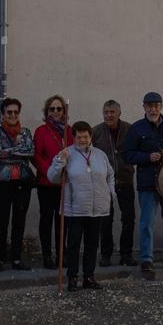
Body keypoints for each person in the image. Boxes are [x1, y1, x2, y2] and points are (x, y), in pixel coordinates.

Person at [123, 91, 163, 277]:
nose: (153, 109)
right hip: (148, 182)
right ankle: (146, 259)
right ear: (144, 107)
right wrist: (147, 157)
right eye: (149, 106)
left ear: (161, 106)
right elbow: (127, 154)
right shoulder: (136, 129)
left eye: (156, 105)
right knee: (147, 223)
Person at [48, 121, 114, 291]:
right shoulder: (66, 154)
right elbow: (52, 178)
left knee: (92, 245)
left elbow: (110, 175)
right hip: (74, 208)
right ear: (74, 137)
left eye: (86, 136)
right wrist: (59, 163)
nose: (83, 140)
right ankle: (72, 278)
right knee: (73, 245)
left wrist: (110, 193)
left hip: (97, 208)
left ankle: (89, 277)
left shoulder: (100, 155)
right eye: (79, 137)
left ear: (90, 136)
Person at [0, 97, 35, 271]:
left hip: (23, 181)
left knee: (19, 220)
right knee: (1, 220)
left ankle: (16, 258)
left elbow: (31, 152)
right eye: (9, 112)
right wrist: (18, 151)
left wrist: (9, 152)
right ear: (3, 114)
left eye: (16, 112)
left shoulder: (26, 132)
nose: (13, 115)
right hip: (2, 181)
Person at [91, 100, 137, 266]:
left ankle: (126, 254)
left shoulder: (130, 130)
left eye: (112, 112)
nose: (109, 115)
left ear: (119, 113)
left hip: (125, 181)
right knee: (105, 220)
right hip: (104, 183)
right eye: (106, 112)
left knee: (129, 219)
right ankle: (105, 255)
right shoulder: (95, 132)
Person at [33, 95, 73, 269]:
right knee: (47, 220)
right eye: (52, 109)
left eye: (59, 109)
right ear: (46, 111)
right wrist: (52, 172)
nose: (56, 112)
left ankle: (61, 255)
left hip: (65, 184)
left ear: (64, 111)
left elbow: (74, 153)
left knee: (62, 220)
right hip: (47, 182)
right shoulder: (41, 131)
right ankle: (47, 255)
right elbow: (37, 156)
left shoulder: (69, 131)